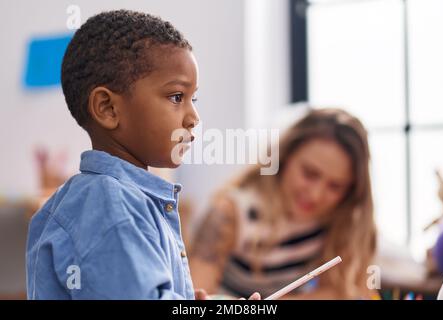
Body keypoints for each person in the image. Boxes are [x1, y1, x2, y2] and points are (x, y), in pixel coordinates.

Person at [26, 9, 261, 300]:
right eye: (177, 97)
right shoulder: (110, 205)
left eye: (193, 98)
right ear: (107, 108)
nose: (194, 117)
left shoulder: (114, 199)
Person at [190, 108, 377, 299]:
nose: (315, 195)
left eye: (335, 186)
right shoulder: (231, 212)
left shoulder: (343, 223)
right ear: (285, 157)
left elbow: (338, 292)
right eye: (309, 173)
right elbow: (197, 293)